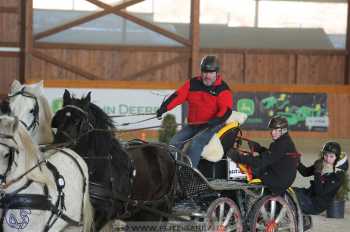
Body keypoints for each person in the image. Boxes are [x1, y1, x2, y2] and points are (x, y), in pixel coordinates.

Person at [156, 55, 233, 167]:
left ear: (216, 73)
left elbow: (226, 110)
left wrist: (215, 121)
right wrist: (164, 108)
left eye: (210, 73)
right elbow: (178, 96)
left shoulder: (222, 89)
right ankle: (170, 170)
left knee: (195, 144)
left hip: (210, 126)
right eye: (204, 72)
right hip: (193, 124)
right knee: (174, 143)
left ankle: (190, 174)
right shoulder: (193, 84)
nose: (207, 76)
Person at [227, 115, 299, 195]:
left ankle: (243, 195)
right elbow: (274, 156)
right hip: (284, 177)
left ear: (284, 130)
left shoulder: (280, 145)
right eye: (272, 130)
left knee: (248, 171)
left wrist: (237, 157)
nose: (272, 133)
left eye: (276, 130)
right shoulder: (286, 142)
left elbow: (260, 161)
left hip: (278, 180)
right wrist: (259, 148)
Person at [293, 141, 348, 215]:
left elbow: (320, 192)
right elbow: (305, 172)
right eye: (326, 155)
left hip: (315, 205)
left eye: (331, 156)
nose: (327, 159)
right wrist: (297, 162)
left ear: (336, 157)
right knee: (287, 190)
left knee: (289, 197)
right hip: (308, 195)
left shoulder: (338, 175)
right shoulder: (321, 163)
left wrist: (317, 172)